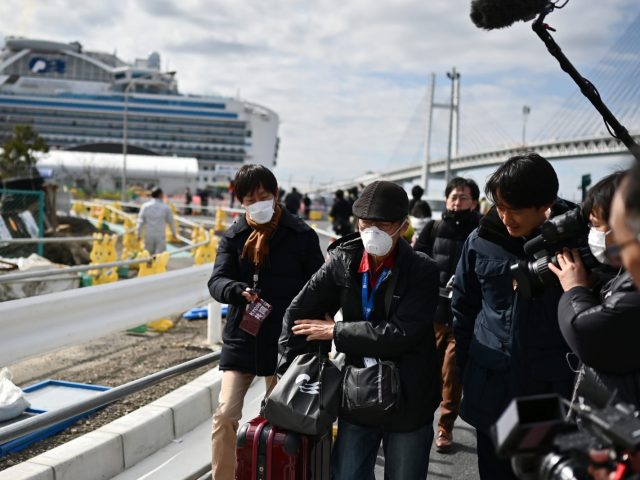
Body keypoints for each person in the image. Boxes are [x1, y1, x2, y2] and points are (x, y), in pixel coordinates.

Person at [279, 180, 441, 480]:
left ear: (402, 226)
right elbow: (298, 314)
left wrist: (337, 332)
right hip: (357, 392)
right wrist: (291, 377)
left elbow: (400, 334)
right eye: (366, 223)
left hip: (409, 396)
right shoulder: (343, 260)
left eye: (383, 224)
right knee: (346, 475)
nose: (373, 231)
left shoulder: (423, 270)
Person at [451, 153, 575, 479]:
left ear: (544, 205)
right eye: (500, 206)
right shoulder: (480, 241)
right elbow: (463, 308)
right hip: (494, 386)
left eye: (515, 209)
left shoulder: (574, 243)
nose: (505, 217)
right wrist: (467, 370)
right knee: (496, 472)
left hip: (550, 391)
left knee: (545, 472)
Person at [207, 165, 324, 479]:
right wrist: (236, 290)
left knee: (284, 419)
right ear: (241, 202)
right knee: (226, 415)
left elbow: (320, 283)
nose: (258, 202)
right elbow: (216, 281)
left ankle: (280, 471)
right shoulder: (233, 237)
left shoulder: (301, 235)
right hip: (242, 338)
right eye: (250, 198)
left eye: (264, 195)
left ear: (276, 194)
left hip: (287, 342)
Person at [550, 171, 640, 407]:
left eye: (597, 225)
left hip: (625, 422)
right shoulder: (625, 273)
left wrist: (574, 288)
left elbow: (585, 334)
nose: (594, 234)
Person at [414, 177, 480, 453]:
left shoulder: (481, 232)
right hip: (433, 313)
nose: (457, 202)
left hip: (464, 317)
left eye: (463, 197)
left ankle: (445, 427)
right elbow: (416, 262)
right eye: (453, 196)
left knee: (452, 374)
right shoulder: (433, 228)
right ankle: (416, 420)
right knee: (424, 370)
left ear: (475, 202)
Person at [136, 187, 177, 254]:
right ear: (161, 195)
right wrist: (174, 233)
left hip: (148, 235)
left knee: (148, 256)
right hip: (160, 236)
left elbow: (140, 222)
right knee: (159, 258)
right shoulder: (165, 207)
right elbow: (171, 222)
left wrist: (138, 234)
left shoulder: (145, 206)